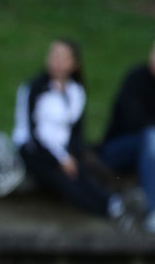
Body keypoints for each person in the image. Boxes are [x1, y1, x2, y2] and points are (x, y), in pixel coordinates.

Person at [12, 39, 130, 225]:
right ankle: (107, 212)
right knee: (65, 177)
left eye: (62, 57)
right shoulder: (36, 88)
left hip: (64, 152)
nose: (55, 61)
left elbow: (76, 131)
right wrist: (61, 158)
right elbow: (35, 134)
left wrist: (71, 155)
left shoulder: (76, 91)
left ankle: (114, 204)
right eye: (53, 55)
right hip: (37, 151)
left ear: (74, 64)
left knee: (86, 168)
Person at [98, 39, 155, 233]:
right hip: (118, 149)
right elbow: (134, 120)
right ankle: (153, 211)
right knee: (151, 137)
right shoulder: (136, 79)